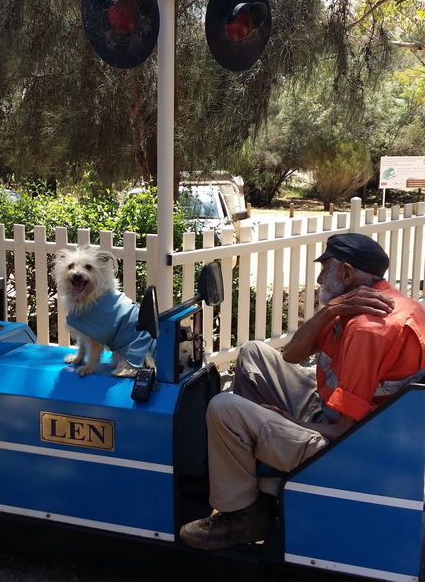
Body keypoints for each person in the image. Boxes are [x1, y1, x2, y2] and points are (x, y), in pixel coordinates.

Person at [180, 232, 425, 551]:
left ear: (347, 273)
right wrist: (330, 310)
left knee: (224, 408)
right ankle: (260, 490)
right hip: (349, 417)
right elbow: (292, 355)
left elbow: (343, 431)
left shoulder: (368, 329)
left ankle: (244, 514)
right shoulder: (376, 304)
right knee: (253, 352)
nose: (320, 277)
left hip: (350, 448)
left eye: (325, 268)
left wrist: (288, 422)